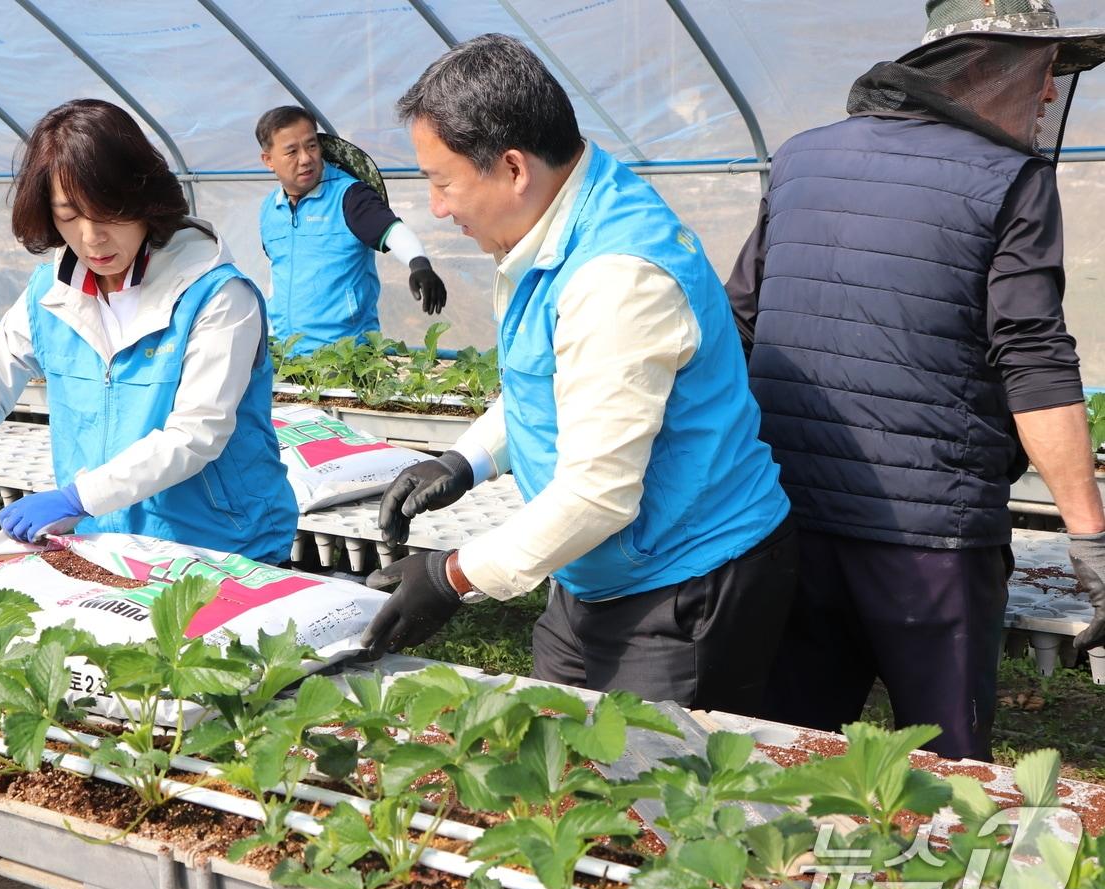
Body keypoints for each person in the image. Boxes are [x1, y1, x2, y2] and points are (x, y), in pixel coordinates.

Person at [362, 34, 797, 716]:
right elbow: (556, 377)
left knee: (652, 794)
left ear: (511, 168)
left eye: (443, 182)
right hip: (595, 566)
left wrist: (451, 576)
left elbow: (598, 495)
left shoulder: (617, 277)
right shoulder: (557, 218)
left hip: (684, 581)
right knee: (556, 753)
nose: (438, 208)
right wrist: (467, 458)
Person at [726, 0, 1105, 760]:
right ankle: (944, 876)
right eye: (1040, 72)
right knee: (950, 765)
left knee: (786, 751)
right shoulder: (1012, 180)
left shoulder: (801, 157)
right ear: (975, 67)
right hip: (930, 547)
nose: (1048, 95)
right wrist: (1091, 538)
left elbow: (737, 322)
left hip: (787, 520)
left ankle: (795, 876)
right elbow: (1033, 359)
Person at [0, 99, 297, 565]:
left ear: (143, 198)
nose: (92, 236)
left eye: (108, 212)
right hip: (108, 540)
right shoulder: (51, 293)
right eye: (68, 215)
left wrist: (77, 498)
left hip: (222, 544)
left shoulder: (216, 296)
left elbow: (195, 435)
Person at [256, 105, 448, 355]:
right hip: (288, 353)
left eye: (311, 145)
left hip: (347, 355)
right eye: (292, 151)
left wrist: (419, 264)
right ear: (268, 160)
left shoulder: (349, 196)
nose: (305, 158)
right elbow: (278, 272)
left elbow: (392, 231)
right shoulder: (270, 209)